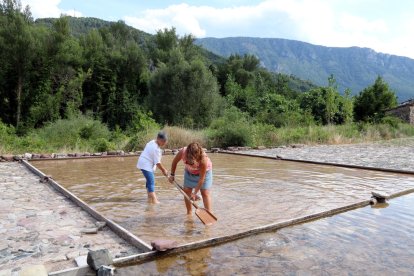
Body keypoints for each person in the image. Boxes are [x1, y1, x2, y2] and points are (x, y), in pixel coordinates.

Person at [169, 142, 213, 214]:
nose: (189, 163)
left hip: (205, 173)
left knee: (205, 193)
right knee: (186, 191)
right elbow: (174, 162)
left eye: (191, 163)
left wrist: (195, 193)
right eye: (187, 161)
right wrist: (172, 175)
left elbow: (201, 179)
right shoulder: (183, 152)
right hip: (189, 172)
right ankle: (189, 213)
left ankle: (209, 213)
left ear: (197, 157)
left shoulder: (203, 160)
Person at [137, 131, 169, 204]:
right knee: (151, 182)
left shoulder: (152, 142)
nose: (164, 143)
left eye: (165, 141)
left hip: (143, 163)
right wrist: (164, 170)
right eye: (163, 141)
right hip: (146, 165)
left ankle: (149, 199)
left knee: (149, 182)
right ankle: (155, 201)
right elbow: (158, 163)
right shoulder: (156, 149)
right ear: (158, 138)